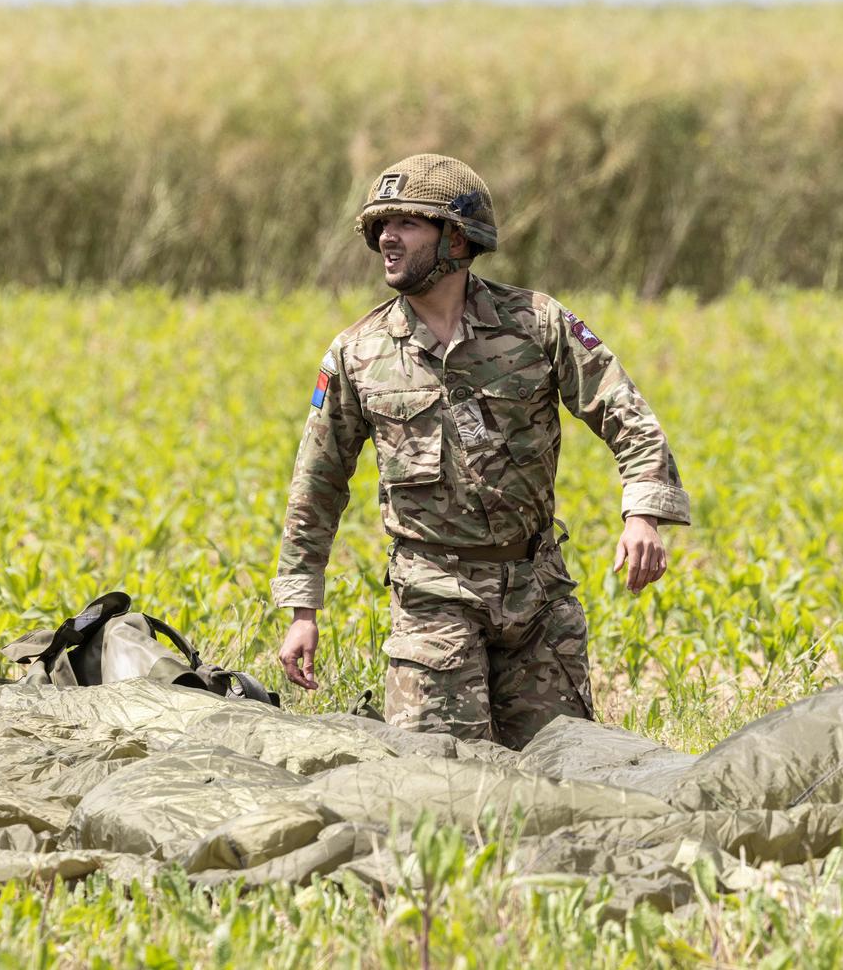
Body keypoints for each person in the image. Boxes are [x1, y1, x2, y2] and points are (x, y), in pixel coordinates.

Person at [271, 153, 690, 749]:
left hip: (538, 599)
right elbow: (316, 485)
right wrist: (301, 610)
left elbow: (624, 411)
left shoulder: (537, 325)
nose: (386, 236)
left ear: (458, 238)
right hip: (430, 604)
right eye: (379, 226)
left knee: (564, 782)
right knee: (440, 788)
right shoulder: (356, 354)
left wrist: (643, 512)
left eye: (408, 222)